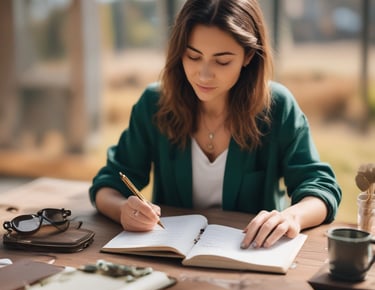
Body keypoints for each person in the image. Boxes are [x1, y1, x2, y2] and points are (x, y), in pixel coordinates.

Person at [89, 0, 341, 249]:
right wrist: (122, 209)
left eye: (222, 61)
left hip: (249, 259)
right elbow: (108, 184)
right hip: (169, 258)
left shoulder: (277, 107)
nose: (204, 74)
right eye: (193, 56)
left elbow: (320, 187)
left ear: (249, 56)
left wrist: (291, 216)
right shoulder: (154, 104)